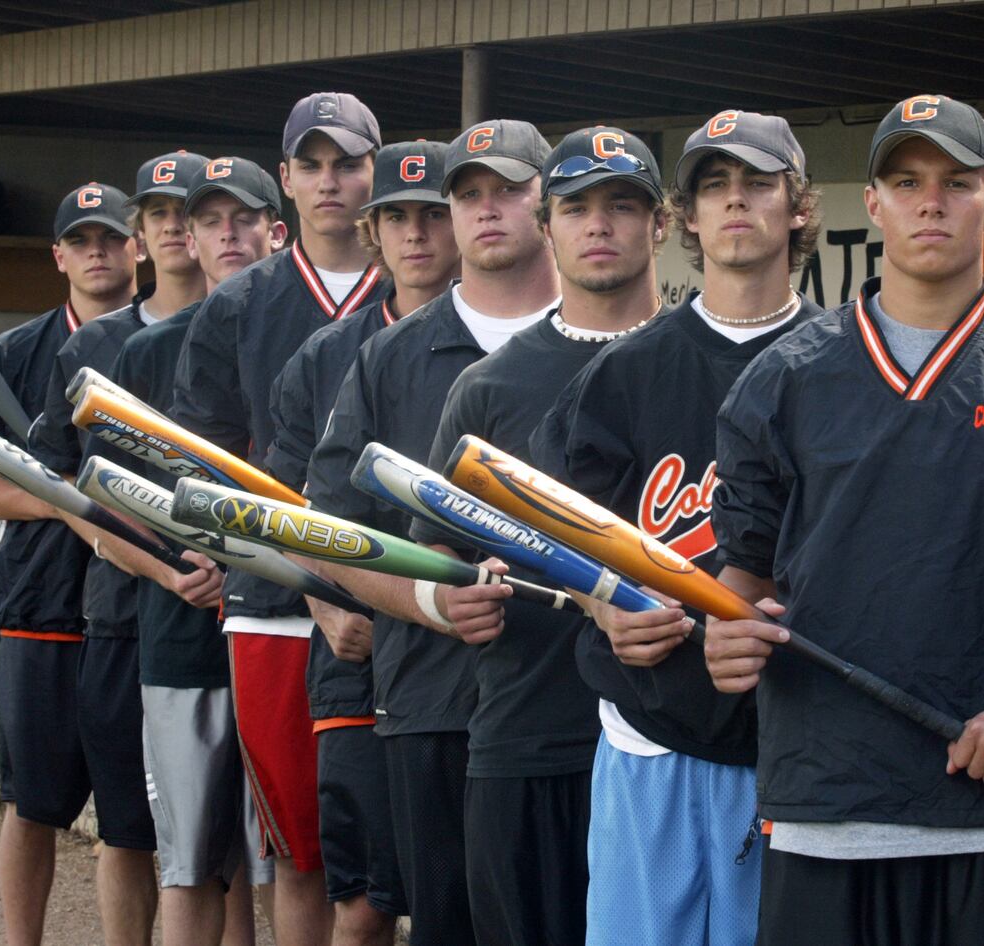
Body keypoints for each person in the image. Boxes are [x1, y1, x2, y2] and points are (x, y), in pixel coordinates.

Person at [702, 95, 984, 946]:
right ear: (872, 203)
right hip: (827, 806)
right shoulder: (785, 380)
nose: (931, 202)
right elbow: (746, 579)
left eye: (958, 181)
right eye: (907, 181)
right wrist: (723, 635)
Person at [528, 110, 822, 946]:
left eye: (758, 184)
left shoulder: (840, 363)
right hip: (647, 730)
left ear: (798, 206)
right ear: (684, 218)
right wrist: (601, 606)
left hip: (791, 742)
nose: (735, 204)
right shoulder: (623, 372)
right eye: (713, 188)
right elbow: (555, 535)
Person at [410, 126, 668, 946]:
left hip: (680, 745)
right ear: (547, 227)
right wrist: (452, 594)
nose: (600, 225)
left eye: (622, 205)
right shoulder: (487, 387)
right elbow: (437, 556)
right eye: (577, 207)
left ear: (660, 224)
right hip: (528, 737)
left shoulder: (708, 363)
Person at [305, 118, 560, 946]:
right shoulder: (388, 356)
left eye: (509, 190)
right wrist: (428, 600)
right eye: (467, 195)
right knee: (447, 925)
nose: (487, 211)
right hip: (430, 697)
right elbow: (333, 532)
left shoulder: (606, 345)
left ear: (547, 202)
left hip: (578, 706)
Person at [173, 92, 389, 946]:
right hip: (275, 607)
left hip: (402, 601)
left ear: (376, 172)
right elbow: (200, 463)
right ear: (288, 183)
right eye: (313, 164)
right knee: (301, 849)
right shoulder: (239, 304)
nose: (332, 181)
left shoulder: (422, 288)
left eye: (348, 163)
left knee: (396, 849)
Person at [265, 138, 460, 946]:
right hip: (356, 654)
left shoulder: (511, 341)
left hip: (467, 659)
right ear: (373, 231)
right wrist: (323, 604)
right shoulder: (328, 354)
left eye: (433, 216)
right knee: (364, 901)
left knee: (460, 892)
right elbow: (296, 510)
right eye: (396, 218)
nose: (416, 235)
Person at [26, 174, 227, 946]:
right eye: (160, 215)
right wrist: (156, 565)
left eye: (190, 213)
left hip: (231, 613)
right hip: (123, 613)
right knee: (130, 826)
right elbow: (68, 492)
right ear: (139, 235)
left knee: (234, 842)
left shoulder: (240, 321)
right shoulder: (99, 346)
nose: (177, 228)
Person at [111, 155, 288, 946]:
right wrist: (174, 565)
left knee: (270, 861)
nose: (226, 235)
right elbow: (105, 506)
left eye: (243, 219)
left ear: (274, 231)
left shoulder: (314, 335)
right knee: (188, 862)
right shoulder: (150, 351)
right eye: (210, 220)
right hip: (186, 632)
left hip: (283, 626)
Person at [0, 186, 116, 946]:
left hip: (138, 610)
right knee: (32, 803)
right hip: (41, 607)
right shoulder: (13, 355)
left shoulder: (171, 338)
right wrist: (57, 501)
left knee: (132, 818)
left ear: (138, 244)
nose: (98, 252)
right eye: (81, 241)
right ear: (58, 256)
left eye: (111, 237)